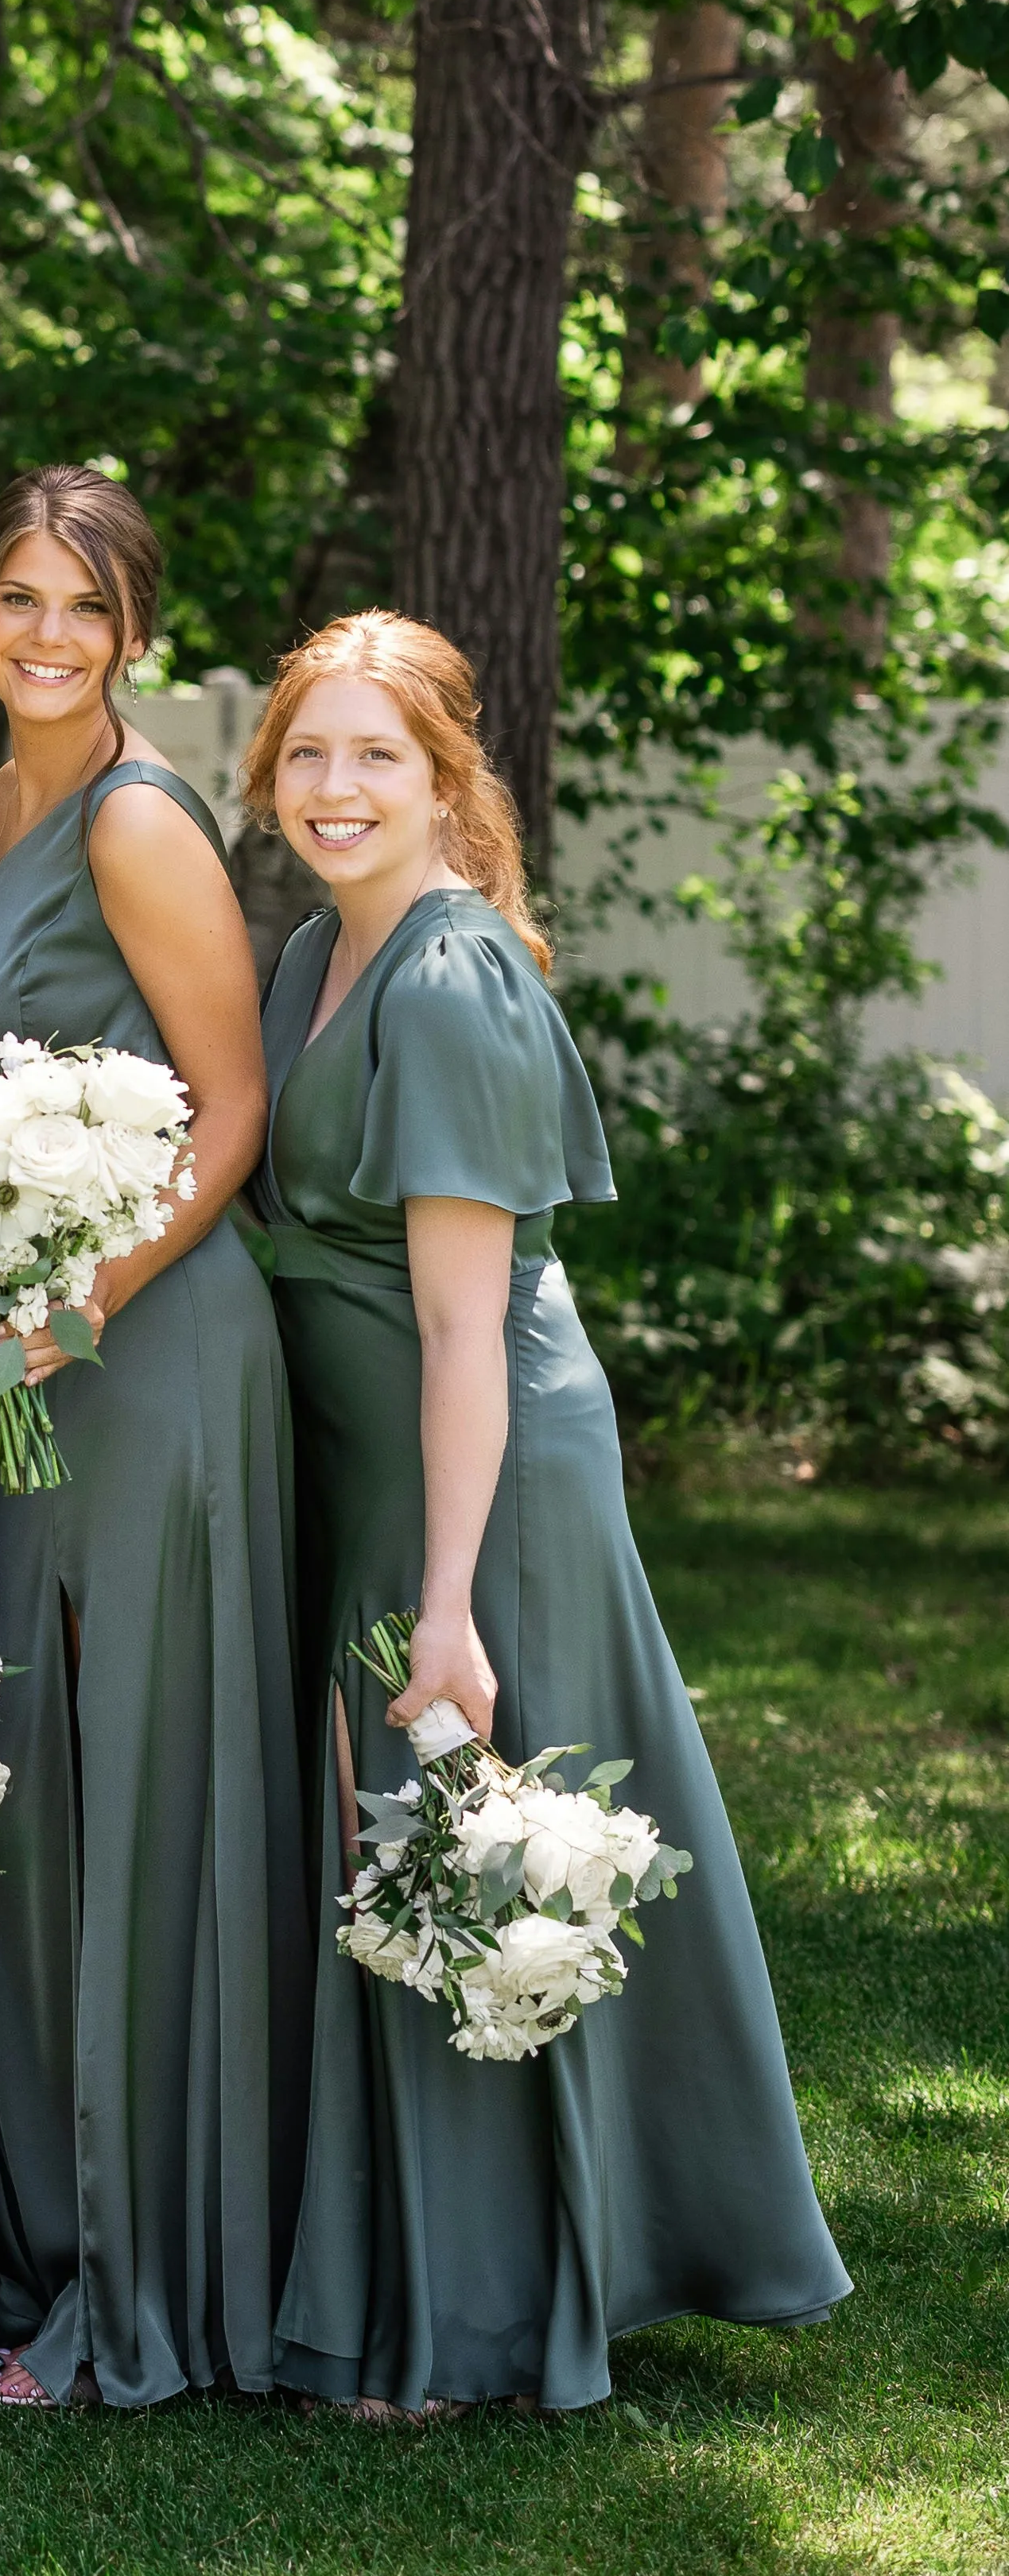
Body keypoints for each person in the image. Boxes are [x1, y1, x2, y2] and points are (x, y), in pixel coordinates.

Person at [246, 611, 848, 2413]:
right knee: (408, 1849)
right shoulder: (308, 966)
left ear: (446, 778)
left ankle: (487, 2315)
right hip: (381, 1461)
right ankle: (423, 2276)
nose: (335, 789)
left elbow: (459, 1321)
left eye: (375, 756)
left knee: (474, 1839)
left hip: (481, 1474)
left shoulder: (445, 979)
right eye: (305, 756)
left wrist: (448, 1597)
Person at [0, 466, 305, 2407]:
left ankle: (155, 2281)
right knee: (54, 1789)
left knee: (147, 1787)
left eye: (82, 607)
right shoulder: (13, 803)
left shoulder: (143, 817)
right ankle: (64, 2230)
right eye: (17, 601)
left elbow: (227, 1108)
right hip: (41, 1343)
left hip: (152, 1346)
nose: (48, 636)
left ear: (133, 630)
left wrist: (81, 1297)